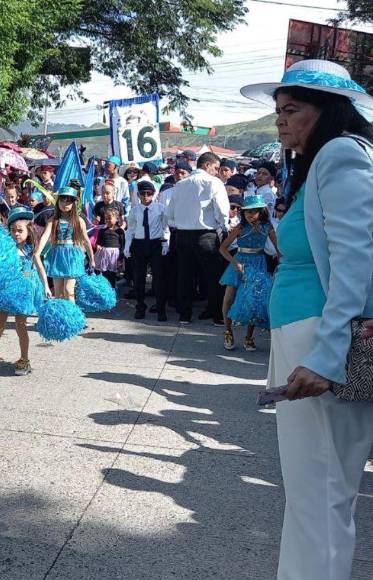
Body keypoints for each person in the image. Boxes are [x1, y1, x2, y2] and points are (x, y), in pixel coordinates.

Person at [241, 59, 373, 580]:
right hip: (308, 335)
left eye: (291, 110)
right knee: (316, 497)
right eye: (277, 111)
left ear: (329, 111)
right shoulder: (330, 160)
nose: (280, 121)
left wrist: (325, 356)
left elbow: (355, 260)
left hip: (320, 339)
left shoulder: (341, 154)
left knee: (318, 497)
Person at [164, 151, 230, 324]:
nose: (217, 171)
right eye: (216, 168)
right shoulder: (214, 182)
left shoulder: (180, 184)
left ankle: (184, 315)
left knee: (185, 275)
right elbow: (222, 211)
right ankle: (217, 315)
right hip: (205, 234)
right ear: (207, 165)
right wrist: (223, 226)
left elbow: (169, 213)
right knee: (213, 277)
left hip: (183, 235)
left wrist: (179, 223)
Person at [0, 207, 48, 376]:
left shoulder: (30, 250)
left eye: (20, 231)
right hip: (8, 290)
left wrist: (46, 287)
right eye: (13, 230)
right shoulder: (6, 248)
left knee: (21, 326)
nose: (16, 234)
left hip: (24, 291)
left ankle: (24, 359)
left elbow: (39, 267)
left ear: (28, 231)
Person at [218, 195, 277, 350]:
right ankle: (228, 331)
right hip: (239, 261)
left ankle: (249, 337)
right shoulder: (240, 227)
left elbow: (279, 248)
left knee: (254, 301)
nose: (250, 214)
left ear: (261, 211)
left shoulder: (267, 227)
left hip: (258, 262)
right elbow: (223, 248)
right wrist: (235, 262)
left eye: (254, 211)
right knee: (228, 298)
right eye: (247, 212)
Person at [36, 186, 95, 301]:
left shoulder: (78, 220)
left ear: (74, 203)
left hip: (72, 255)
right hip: (57, 255)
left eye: (69, 201)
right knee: (58, 293)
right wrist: (38, 251)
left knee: (68, 290)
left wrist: (92, 259)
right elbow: (44, 237)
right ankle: (61, 317)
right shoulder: (52, 220)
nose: (65, 203)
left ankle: (72, 317)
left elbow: (86, 241)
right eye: (62, 200)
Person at [124, 181, 170, 321]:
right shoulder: (135, 210)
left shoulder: (161, 208)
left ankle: (161, 309)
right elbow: (131, 229)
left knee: (159, 278)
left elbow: (165, 228)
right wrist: (127, 245)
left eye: (148, 194)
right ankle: (140, 306)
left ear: (153, 194)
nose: (145, 196)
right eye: (142, 194)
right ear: (138, 195)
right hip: (139, 244)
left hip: (155, 243)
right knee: (139, 278)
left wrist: (165, 244)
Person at [92, 206, 125, 288]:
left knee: (112, 275)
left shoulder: (120, 231)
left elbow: (122, 245)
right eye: (106, 219)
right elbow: (99, 242)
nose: (107, 220)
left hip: (114, 256)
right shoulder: (102, 230)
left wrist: (120, 258)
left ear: (116, 219)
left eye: (109, 218)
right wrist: (98, 246)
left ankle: (112, 291)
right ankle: (104, 290)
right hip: (104, 255)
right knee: (103, 274)